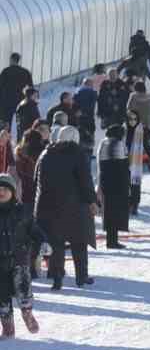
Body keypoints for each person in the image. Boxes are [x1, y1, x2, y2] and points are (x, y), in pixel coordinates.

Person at [34, 122, 96, 289]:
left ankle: (57, 278)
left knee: (56, 243)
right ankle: (81, 276)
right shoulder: (77, 153)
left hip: (49, 206)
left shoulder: (46, 153)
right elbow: (85, 180)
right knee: (79, 242)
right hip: (75, 206)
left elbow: (36, 181)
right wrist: (92, 200)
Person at [0, 172, 45, 336]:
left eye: (6, 189)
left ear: (12, 192)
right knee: (2, 297)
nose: (2, 192)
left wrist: (43, 243)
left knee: (23, 290)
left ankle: (27, 313)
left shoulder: (22, 212)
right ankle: (7, 327)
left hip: (20, 260)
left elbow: (36, 232)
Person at [97, 121, 131, 249]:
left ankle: (112, 240)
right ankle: (112, 242)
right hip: (117, 182)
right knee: (115, 212)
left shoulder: (102, 143)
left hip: (106, 180)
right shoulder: (118, 144)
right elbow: (122, 165)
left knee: (109, 212)